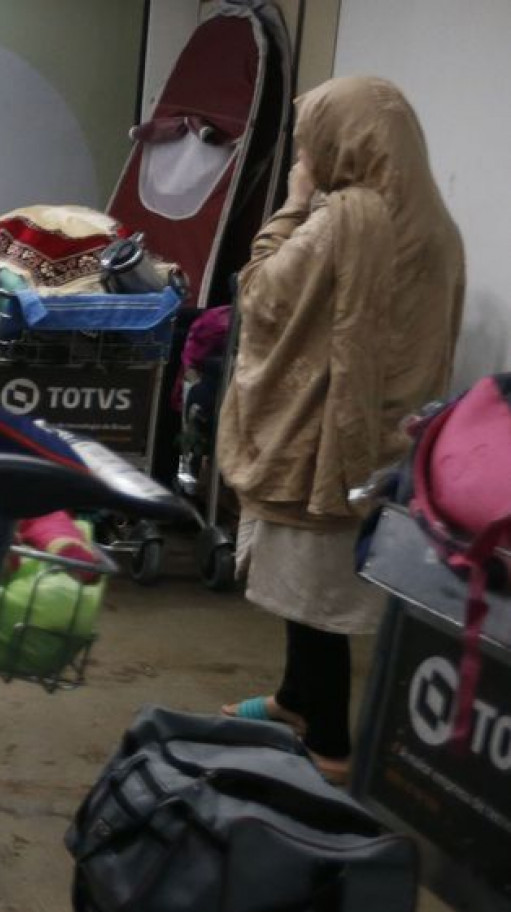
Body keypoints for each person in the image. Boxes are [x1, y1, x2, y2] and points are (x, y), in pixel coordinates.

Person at [218, 76, 465, 781]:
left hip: (320, 433)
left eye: (309, 141)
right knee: (321, 575)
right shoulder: (432, 222)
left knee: (311, 584)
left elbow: (261, 294)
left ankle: (326, 741)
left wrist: (293, 205)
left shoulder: (342, 218)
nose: (305, 153)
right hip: (384, 436)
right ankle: (296, 699)